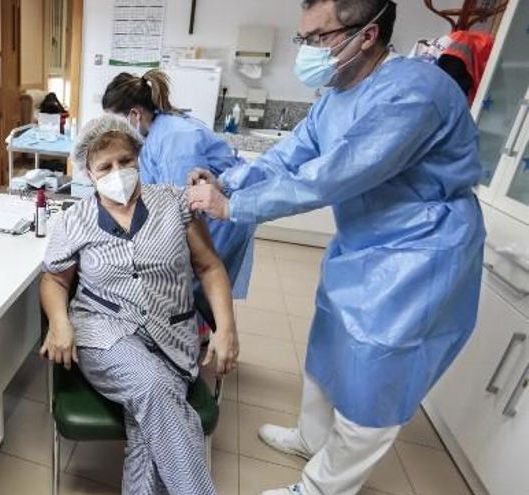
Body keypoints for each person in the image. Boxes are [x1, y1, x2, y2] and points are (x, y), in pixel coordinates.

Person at [187, 1, 485, 494]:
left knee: (376, 376)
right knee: (328, 346)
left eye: (318, 38)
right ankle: (312, 436)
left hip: (417, 253)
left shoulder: (414, 93)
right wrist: (228, 179)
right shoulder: (338, 93)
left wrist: (231, 207)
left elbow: (330, 177)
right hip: (362, 243)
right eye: (303, 38)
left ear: (366, 35)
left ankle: (321, 488)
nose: (307, 51)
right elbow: (290, 155)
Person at [39, 114, 239, 495]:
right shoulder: (74, 220)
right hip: (105, 332)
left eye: (125, 161)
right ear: (88, 172)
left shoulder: (174, 204)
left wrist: (226, 329)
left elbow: (210, 267)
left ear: (138, 159)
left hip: (172, 334)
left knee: (150, 421)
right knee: (151, 384)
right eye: (105, 166)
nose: (118, 172)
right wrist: (59, 321)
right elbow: (54, 279)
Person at [101, 70, 256, 323]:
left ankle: (195, 343)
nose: (114, 129)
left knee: (194, 281)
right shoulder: (157, 130)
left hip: (215, 220)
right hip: (204, 213)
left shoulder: (175, 139)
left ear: (135, 115)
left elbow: (183, 206)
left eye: (115, 121)